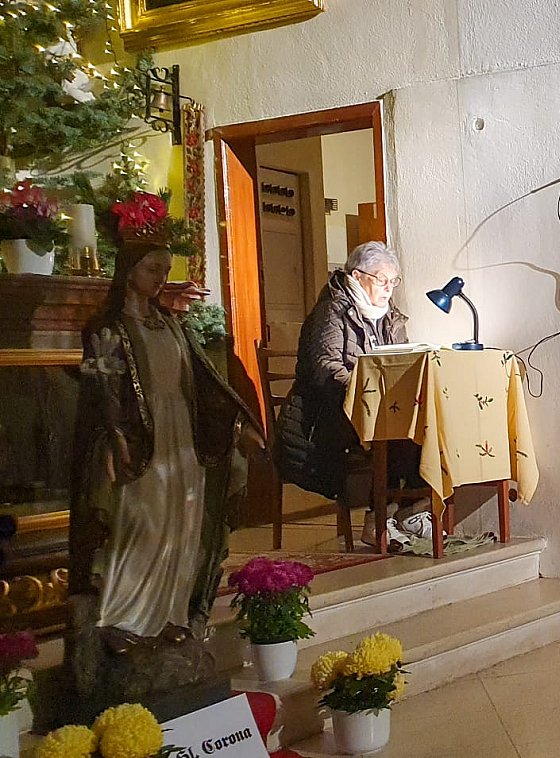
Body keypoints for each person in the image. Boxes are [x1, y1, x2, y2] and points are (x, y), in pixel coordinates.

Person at [68, 239, 262, 704]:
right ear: (128, 271)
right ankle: (119, 618)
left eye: (164, 269)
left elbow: (204, 383)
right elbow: (100, 391)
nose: (160, 278)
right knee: (140, 524)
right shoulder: (109, 328)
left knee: (181, 526)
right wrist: (114, 435)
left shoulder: (172, 324)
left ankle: (169, 616)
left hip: (181, 436)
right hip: (141, 437)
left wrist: (237, 426)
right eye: (152, 268)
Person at [275, 241, 424, 548]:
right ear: (357, 276)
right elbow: (325, 369)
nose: (389, 288)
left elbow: (399, 361)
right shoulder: (331, 311)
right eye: (381, 279)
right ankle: (379, 520)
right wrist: (367, 392)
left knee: (422, 423)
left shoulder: (389, 316)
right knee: (391, 431)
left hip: (371, 406)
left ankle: (410, 511)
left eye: (393, 281)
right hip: (323, 417)